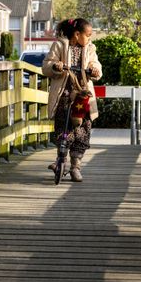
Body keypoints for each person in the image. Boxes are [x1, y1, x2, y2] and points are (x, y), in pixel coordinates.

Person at [42, 17, 102, 182]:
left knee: (83, 130)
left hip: (82, 96)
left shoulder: (90, 48)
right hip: (64, 95)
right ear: (77, 34)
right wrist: (55, 66)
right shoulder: (60, 45)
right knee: (63, 128)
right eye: (87, 35)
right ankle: (60, 160)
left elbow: (96, 65)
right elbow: (46, 66)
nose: (89, 38)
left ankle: (76, 166)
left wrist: (94, 70)